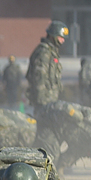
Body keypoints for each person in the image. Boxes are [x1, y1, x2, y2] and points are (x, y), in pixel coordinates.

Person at [26, 21, 68, 160]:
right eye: (60, 37)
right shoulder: (44, 53)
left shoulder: (52, 53)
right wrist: (43, 104)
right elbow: (39, 79)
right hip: (44, 104)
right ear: (52, 36)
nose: (62, 41)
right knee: (45, 137)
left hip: (51, 103)